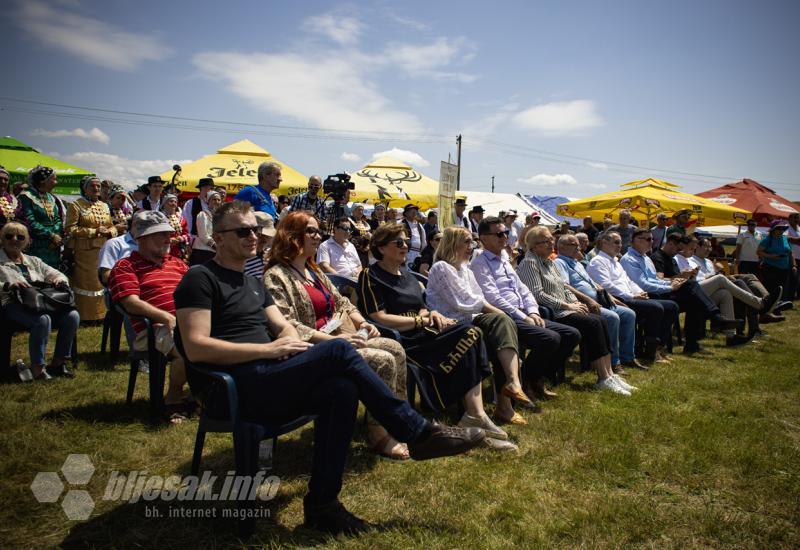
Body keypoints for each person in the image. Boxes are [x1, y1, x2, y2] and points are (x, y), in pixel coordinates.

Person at [174, 202, 484, 535]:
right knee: (337, 349)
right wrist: (268, 349)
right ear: (217, 238)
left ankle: (323, 505)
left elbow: (283, 326)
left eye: (255, 229)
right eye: (243, 231)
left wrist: (288, 343)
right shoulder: (200, 277)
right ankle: (417, 431)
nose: (253, 236)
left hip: (271, 374)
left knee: (342, 388)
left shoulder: (253, 283)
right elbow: (196, 346)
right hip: (233, 387)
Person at [264, 212, 413, 460]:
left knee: (394, 347)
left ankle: (395, 422)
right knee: (382, 359)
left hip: (340, 340)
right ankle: (378, 434)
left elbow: (342, 301)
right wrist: (337, 341)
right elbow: (287, 325)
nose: (317, 235)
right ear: (291, 235)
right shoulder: (276, 276)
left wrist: (362, 321)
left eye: (318, 230)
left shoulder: (314, 272)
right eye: (310, 231)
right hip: (312, 351)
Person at [358, 223, 514, 449]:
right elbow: (379, 317)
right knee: (470, 334)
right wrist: (421, 320)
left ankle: (474, 413)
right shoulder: (371, 275)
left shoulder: (408, 277)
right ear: (381, 248)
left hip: (425, 332)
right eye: (399, 243)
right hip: (403, 340)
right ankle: (473, 415)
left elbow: (421, 307)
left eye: (407, 241)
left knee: (472, 333)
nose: (405, 246)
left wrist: (431, 313)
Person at [427, 226, 535, 424]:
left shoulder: (465, 270)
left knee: (503, 328)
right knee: (503, 322)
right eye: (466, 242)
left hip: (470, 320)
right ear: (452, 243)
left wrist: (502, 315)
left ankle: (511, 386)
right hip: (449, 325)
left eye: (472, 242)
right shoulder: (441, 267)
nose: (471, 246)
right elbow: (465, 301)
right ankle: (506, 399)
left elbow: (479, 298)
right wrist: (501, 313)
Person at [470, 216, 580, 399]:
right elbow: (493, 298)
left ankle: (533, 378)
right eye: (498, 234)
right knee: (551, 338)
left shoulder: (504, 259)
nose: (504, 237)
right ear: (483, 238)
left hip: (524, 313)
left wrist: (533, 311)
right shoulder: (480, 263)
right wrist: (523, 316)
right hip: (505, 318)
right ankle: (527, 381)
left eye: (505, 232)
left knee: (571, 335)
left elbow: (524, 289)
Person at [519, 227, 635, 395]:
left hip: (566, 309)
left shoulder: (550, 262)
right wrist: (568, 306)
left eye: (551, 239)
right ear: (533, 246)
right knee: (594, 323)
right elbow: (537, 294)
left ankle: (609, 374)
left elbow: (564, 288)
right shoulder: (530, 262)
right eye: (546, 241)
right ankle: (603, 378)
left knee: (600, 320)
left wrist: (576, 303)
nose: (552, 243)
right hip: (553, 312)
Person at [109, 211, 190, 423]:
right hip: (153, 330)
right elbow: (129, 302)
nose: (167, 239)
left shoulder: (178, 263)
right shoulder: (126, 266)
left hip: (188, 322)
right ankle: (173, 399)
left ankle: (204, 395)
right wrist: (165, 316)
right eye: (160, 234)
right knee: (187, 349)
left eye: (168, 234)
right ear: (141, 238)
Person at [620, 228, 739, 354]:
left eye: (652, 239)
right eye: (649, 239)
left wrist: (671, 283)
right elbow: (643, 285)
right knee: (690, 286)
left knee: (694, 301)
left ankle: (692, 344)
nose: (652, 242)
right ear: (636, 240)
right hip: (646, 295)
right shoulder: (629, 259)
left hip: (658, 291)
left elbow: (654, 280)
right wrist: (670, 286)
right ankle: (715, 317)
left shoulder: (646, 258)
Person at [0, 222, 79, 379]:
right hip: (11, 304)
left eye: (20, 237)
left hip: (38, 304)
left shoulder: (33, 260)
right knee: (42, 320)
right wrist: (8, 285)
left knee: (73, 316)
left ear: (27, 241)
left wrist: (59, 280)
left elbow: (56, 273)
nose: (14, 240)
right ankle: (38, 367)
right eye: (9, 236)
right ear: (2, 239)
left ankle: (58, 363)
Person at [554, 233, 642, 371]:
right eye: (574, 244)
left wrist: (612, 298)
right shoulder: (560, 262)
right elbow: (564, 285)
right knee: (612, 317)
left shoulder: (577, 263)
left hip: (599, 301)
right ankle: (613, 361)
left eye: (578, 244)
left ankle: (628, 357)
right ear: (562, 247)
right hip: (583, 304)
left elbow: (594, 284)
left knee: (629, 314)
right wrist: (588, 299)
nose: (578, 247)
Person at [587, 231, 677, 362]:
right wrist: (632, 296)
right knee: (656, 308)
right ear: (604, 243)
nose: (620, 245)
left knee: (671, 307)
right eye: (616, 242)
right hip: (618, 299)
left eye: (620, 243)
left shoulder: (616, 262)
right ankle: (649, 352)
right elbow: (606, 286)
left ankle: (657, 347)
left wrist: (640, 292)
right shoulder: (598, 261)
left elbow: (629, 281)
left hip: (630, 296)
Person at [674, 236, 774, 346]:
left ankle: (731, 336)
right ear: (683, 246)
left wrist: (709, 274)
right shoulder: (680, 259)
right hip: (690, 291)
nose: (693, 251)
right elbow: (683, 279)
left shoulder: (693, 260)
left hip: (701, 290)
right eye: (692, 248)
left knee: (725, 294)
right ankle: (759, 303)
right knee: (722, 279)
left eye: (694, 249)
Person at [65, 175, 117, 321]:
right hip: (85, 251)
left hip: (103, 250)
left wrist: (110, 232)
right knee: (87, 282)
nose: (96, 189)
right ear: (84, 189)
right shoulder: (76, 205)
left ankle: (101, 315)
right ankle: (85, 316)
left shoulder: (105, 205)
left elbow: (111, 226)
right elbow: (69, 228)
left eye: (98, 186)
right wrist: (93, 232)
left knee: (101, 281)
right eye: (92, 186)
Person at [17, 165, 65, 269]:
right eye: (54, 179)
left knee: (54, 277)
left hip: (53, 246)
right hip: (36, 246)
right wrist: (51, 236)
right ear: (43, 181)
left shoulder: (51, 197)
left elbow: (57, 219)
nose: (56, 182)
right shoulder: (26, 196)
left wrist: (56, 237)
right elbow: (30, 221)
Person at [758, 220, 793, 298]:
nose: (781, 230)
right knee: (770, 288)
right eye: (779, 228)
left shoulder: (785, 238)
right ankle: (768, 304)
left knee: (781, 288)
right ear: (773, 229)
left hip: (784, 268)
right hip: (770, 268)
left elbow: (790, 252)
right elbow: (759, 252)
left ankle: (778, 305)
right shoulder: (767, 240)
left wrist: (793, 265)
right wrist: (771, 256)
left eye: (783, 229)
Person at [188, 191, 222, 266]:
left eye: (218, 200)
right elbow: (203, 234)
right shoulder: (203, 214)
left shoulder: (220, 217)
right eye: (214, 199)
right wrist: (215, 246)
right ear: (208, 201)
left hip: (215, 251)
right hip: (202, 251)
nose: (216, 202)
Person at [243, 212, 276, 280]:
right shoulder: (242, 258)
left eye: (267, 236)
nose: (264, 239)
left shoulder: (270, 254)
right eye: (260, 235)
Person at [160, 193, 189, 260]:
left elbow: (187, 234)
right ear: (164, 203)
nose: (174, 203)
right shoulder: (159, 217)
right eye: (171, 201)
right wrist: (169, 240)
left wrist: (181, 238)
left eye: (175, 202)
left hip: (179, 250)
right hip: (163, 249)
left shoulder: (181, 218)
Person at [401, 204, 426, 270]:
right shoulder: (401, 224)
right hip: (405, 254)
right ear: (406, 213)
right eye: (411, 210)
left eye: (415, 210)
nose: (414, 212)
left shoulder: (419, 226)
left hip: (417, 255)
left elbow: (423, 242)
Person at [785, 212, 800, 300]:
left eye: (798, 218)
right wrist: (797, 240)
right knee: (792, 278)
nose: (797, 220)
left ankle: (796, 296)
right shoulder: (786, 228)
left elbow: (791, 239)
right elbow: (786, 238)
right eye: (795, 218)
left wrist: (793, 239)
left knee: (798, 279)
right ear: (789, 219)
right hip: (791, 257)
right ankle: (789, 297)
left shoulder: (799, 228)